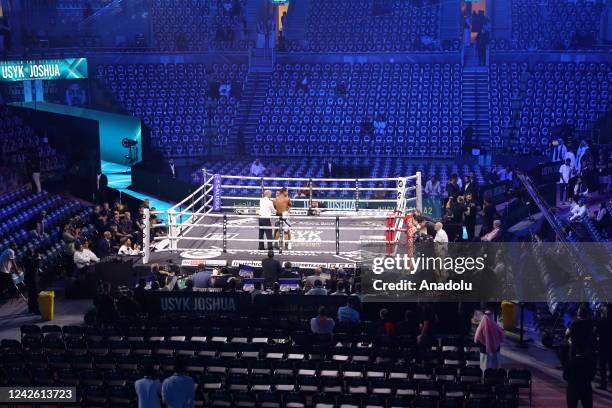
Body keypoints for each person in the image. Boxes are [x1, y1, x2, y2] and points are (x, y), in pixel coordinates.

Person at [595, 304, 612, 390]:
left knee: (603, 365)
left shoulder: (602, 321)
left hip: (603, 344)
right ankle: (610, 380)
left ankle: (603, 384)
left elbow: (596, 332)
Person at [22, 248, 40, 314]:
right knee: (35, 295)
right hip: (32, 279)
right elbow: (37, 265)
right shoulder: (29, 260)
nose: (33, 253)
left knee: (30, 294)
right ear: (30, 253)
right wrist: (38, 259)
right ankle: (36, 309)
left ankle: (31, 309)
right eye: (32, 252)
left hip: (28, 279)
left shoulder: (25, 259)